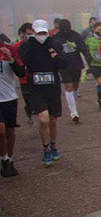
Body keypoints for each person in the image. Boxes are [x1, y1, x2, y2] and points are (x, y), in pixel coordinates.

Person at [19, 19, 66, 166]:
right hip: (36, 86)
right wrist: (31, 47)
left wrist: (54, 54)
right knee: (43, 119)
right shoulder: (27, 45)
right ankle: (45, 148)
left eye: (44, 33)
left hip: (52, 86)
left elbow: (63, 64)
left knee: (52, 119)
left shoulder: (55, 44)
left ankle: (53, 145)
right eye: (38, 33)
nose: (41, 35)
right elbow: (23, 62)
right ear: (33, 32)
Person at [51, 18, 91, 124]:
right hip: (63, 66)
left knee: (75, 86)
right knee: (68, 87)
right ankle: (73, 113)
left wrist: (76, 46)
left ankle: (73, 100)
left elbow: (83, 48)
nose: (65, 32)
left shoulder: (75, 35)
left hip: (76, 64)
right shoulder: (56, 38)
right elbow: (51, 50)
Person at [0, 37, 25, 176]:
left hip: (9, 97)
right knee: (1, 129)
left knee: (10, 132)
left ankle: (9, 159)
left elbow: (21, 72)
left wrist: (11, 59)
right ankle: (3, 158)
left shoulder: (9, 49)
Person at [12, 23, 33, 127]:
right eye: (26, 33)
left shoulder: (35, 44)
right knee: (28, 101)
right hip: (24, 79)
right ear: (21, 34)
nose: (27, 36)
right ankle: (29, 112)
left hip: (35, 77)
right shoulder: (16, 46)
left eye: (30, 33)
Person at [84, 20, 101, 110]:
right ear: (94, 30)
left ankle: (99, 98)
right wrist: (88, 60)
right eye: (99, 29)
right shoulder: (89, 39)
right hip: (94, 64)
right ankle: (100, 101)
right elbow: (84, 49)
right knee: (100, 81)